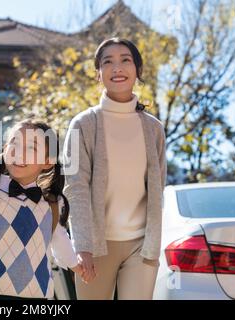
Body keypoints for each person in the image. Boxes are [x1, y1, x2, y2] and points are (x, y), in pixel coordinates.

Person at [63, 37, 167, 300]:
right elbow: (74, 188)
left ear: (138, 71)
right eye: (107, 62)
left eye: (125, 60)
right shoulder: (83, 123)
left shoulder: (154, 128)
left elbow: (158, 188)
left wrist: (153, 244)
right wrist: (82, 246)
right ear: (99, 74)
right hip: (96, 248)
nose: (117, 68)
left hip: (141, 247)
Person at [0, 119, 84, 300]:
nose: (19, 152)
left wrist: (77, 265)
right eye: (14, 143)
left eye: (31, 147)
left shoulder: (53, 204)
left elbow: (60, 239)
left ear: (48, 161)